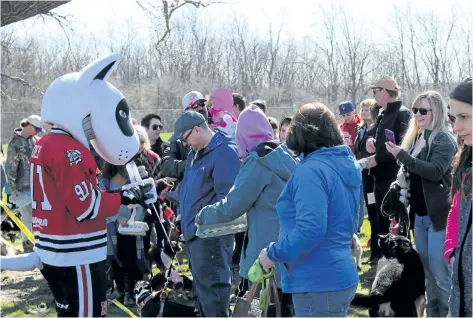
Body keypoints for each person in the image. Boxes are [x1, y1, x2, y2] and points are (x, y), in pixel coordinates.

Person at [29, 54, 155, 317]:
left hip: (56, 247)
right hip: (77, 253)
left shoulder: (44, 143)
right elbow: (86, 207)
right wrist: (126, 197)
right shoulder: (67, 149)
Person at [258, 102, 361, 317]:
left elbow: (310, 229)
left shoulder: (312, 171)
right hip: (336, 274)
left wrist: (273, 253)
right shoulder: (343, 164)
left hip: (317, 279)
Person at [196, 105, 298, 316]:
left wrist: (203, 214)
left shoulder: (257, 162)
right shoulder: (286, 155)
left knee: (257, 310)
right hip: (289, 251)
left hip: (263, 255)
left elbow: (233, 205)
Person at [385, 91, 457, 317]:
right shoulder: (417, 137)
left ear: (437, 112)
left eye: (423, 110)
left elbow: (435, 172)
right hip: (418, 216)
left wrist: (402, 156)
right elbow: (411, 176)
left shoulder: (443, 139)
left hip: (438, 217)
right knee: (427, 275)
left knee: (441, 274)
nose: (418, 115)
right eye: (415, 110)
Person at [169, 111, 240, 317]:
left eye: (185, 138)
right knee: (202, 296)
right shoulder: (195, 152)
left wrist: (200, 217)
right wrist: (182, 211)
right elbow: (192, 189)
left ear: (197, 130)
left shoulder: (225, 152)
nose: (184, 143)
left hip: (212, 238)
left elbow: (227, 200)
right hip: (195, 235)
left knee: (214, 296)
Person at [362, 76, 411, 265]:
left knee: (397, 222)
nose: (374, 95)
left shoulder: (402, 114)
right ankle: (381, 258)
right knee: (380, 219)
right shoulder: (382, 114)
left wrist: (377, 159)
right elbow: (373, 135)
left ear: (384, 91)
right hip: (378, 177)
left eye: (375, 91)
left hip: (394, 178)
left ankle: (400, 261)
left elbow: (402, 145)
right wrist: (369, 140)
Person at [444, 77, 472, 317]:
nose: (456, 127)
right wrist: (451, 250)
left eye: (464, 117)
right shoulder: (465, 157)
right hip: (462, 282)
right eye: (453, 118)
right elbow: (456, 209)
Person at [5, 115, 43, 252]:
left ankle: (39, 243)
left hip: (38, 187)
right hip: (22, 188)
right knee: (28, 216)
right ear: (30, 126)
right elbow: (10, 166)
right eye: (37, 129)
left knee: (38, 217)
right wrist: (13, 187)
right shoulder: (15, 143)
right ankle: (28, 245)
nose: (38, 132)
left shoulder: (35, 140)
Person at [354, 99, 377, 240]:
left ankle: (375, 237)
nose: (363, 112)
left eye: (367, 109)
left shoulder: (376, 129)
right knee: (368, 205)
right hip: (362, 173)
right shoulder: (361, 129)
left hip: (373, 174)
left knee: (374, 205)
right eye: (362, 109)